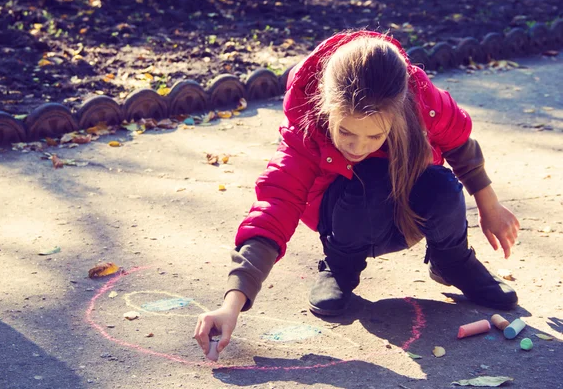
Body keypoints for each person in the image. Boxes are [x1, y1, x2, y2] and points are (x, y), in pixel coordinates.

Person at [194, 30, 520, 358]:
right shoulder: (305, 129)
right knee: (370, 178)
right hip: (345, 219)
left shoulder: (423, 100)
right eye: (345, 132)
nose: (357, 147)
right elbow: (275, 206)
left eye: (374, 136)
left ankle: (453, 262)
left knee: (444, 187)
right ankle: (340, 266)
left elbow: (459, 142)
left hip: (403, 211)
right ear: (326, 107)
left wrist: (489, 204)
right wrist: (231, 303)